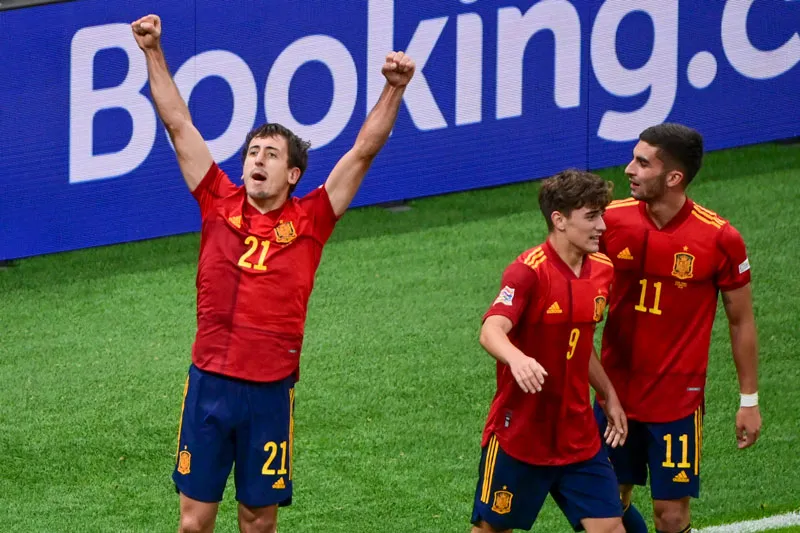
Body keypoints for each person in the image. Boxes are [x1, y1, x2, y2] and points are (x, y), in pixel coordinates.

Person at [131, 14, 415, 533]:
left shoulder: (313, 218)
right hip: (209, 383)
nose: (257, 161)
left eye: (271, 155)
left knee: (258, 521)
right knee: (194, 523)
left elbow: (363, 152)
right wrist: (152, 50)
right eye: (252, 153)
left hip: (269, 389)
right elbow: (177, 122)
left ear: (293, 174)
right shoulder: (216, 197)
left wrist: (393, 89)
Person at [594, 123, 762, 533]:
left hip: (677, 401)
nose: (629, 169)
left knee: (671, 515)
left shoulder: (720, 238)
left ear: (674, 178)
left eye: (642, 162)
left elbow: (741, 321)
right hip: (615, 392)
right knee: (604, 508)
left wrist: (749, 399)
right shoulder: (608, 221)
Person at [471, 170, 628, 533]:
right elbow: (491, 329)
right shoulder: (527, 273)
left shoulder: (603, 270)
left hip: (578, 436)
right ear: (559, 220)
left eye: (601, 214)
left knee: (610, 528)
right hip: (520, 437)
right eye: (591, 216)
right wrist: (517, 357)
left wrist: (609, 396)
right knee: (491, 530)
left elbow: (580, 343)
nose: (602, 225)